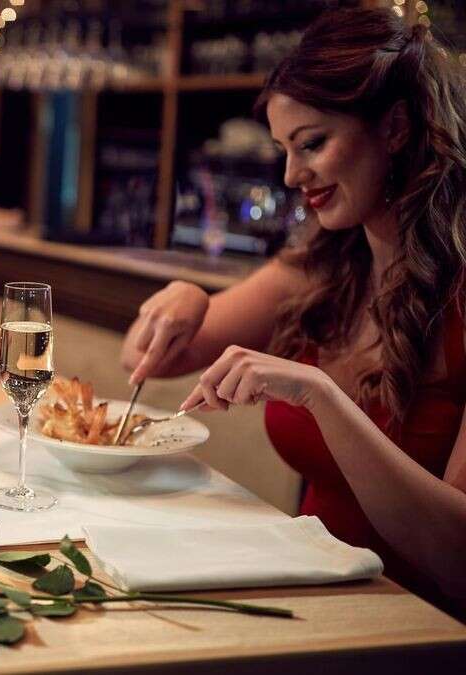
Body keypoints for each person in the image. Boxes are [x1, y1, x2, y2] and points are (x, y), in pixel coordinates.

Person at [121, 8, 466, 619]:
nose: (290, 174)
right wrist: (189, 299)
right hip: (312, 603)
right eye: (284, 149)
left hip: (418, 631)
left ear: (395, 127)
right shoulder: (324, 265)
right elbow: (146, 359)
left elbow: (459, 559)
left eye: (312, 144)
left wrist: (321, 396)